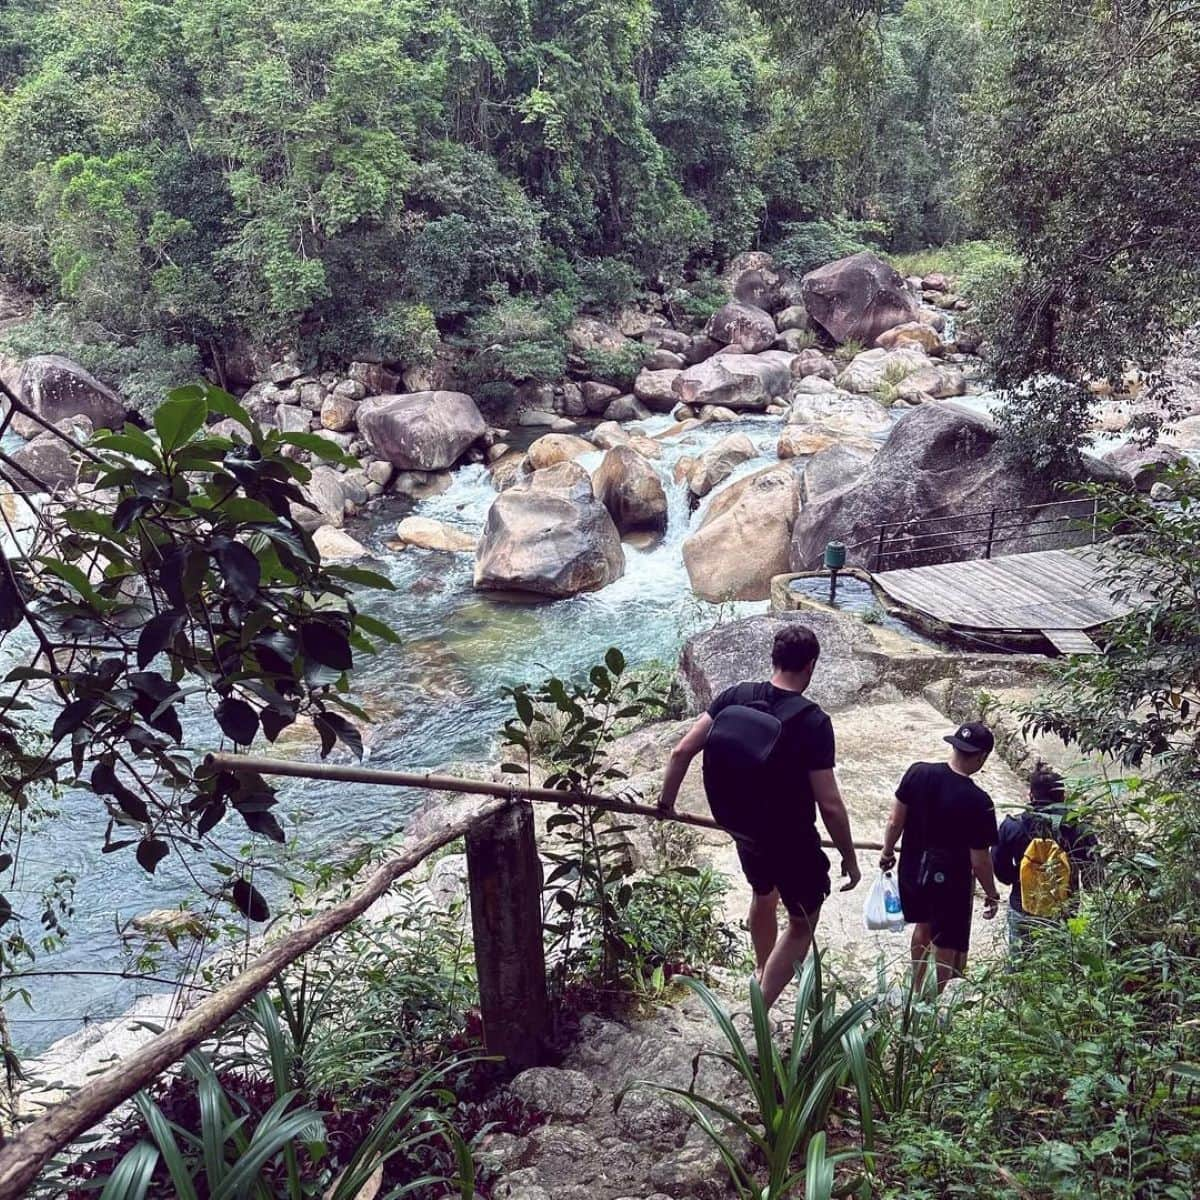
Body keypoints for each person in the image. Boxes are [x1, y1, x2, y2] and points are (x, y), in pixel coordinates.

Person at [657, 624, 861, 1008]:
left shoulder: (735, 696)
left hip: (742, 827)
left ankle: (761, 968)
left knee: (763, 893)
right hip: (790, 840)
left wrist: (665, 804)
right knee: (803, 921)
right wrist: (849, 859)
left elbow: (681, 752)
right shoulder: (813, 722)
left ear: (774, 658)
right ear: (811, 665)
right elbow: (830, 804)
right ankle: (760, 1004)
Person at [878, 722, 1001, 993]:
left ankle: (916, 986)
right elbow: (979, 859)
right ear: (981, 757)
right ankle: (933, 999)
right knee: (946, 941)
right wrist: (991, 893)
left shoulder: (918, 772)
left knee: (923, 927)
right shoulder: (979, 801)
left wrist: (888, 851)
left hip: (914, 872)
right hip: (950, 882)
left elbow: (894, 820)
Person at [991, 761, 1098, 946]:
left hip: (1023, 906)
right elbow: (1093, 877)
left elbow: (1000, 870)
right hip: (1066, 911)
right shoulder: (1079, 830)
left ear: (1030, 795)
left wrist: (1018, 877)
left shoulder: (1012, 826)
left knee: (1019, 966)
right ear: (1063, 797)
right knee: (1062, 965)